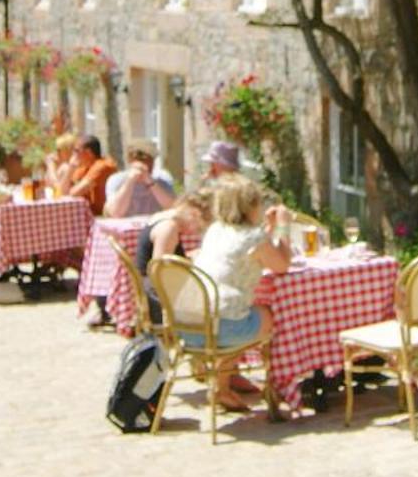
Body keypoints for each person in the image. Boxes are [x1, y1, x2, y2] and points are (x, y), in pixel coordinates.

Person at [188, 174, 292, 410]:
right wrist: (284, 227)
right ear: (250, 206)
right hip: (220, 329)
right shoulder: (252, 238)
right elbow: (282, 265)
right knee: (270, 317)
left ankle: (222, 382)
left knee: (242, 312)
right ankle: (236, 380)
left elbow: (245, 250)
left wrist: (269, 229)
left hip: (189, 325)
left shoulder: (216, 230)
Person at [138, 191, 209, 326]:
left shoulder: (161, 217)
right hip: (158, 297)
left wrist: (188, 257)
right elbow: (158, 271)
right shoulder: (168, 228)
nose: (196, 232)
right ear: (194, 214)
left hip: (153, 287)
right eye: (199, 227)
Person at [102, 140, 176, 218]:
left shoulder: (163, 180)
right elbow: (115, 213)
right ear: (130, 161)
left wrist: (150, 182)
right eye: (140, 159)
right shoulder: (116, 180)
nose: (145, 164)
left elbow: (172, 209)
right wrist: (130, 181)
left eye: (149, 159)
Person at [67, 135, 118, 217]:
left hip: (105, 216)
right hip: (90, 216)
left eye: (76, 151)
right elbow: (64, 192)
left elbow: (74, 193)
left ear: (88, 152)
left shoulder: (103, 166)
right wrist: (70, 168)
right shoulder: (84, 168)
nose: (73, 154)